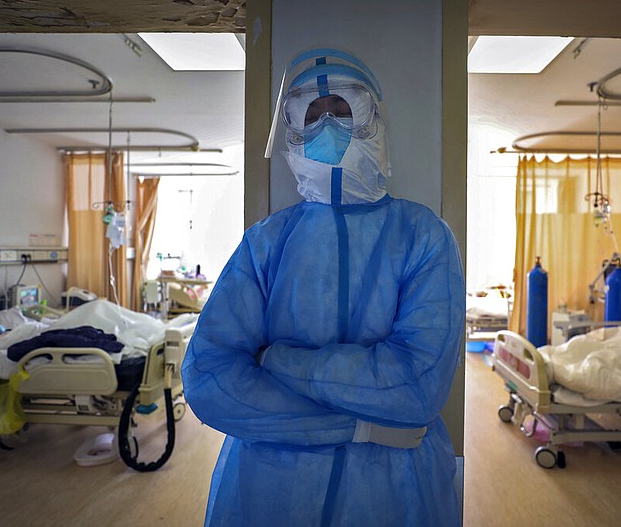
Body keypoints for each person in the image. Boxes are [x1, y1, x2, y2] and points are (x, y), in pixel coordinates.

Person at [182, 48, 465, 526]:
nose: (329, 125)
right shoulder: (267, 242)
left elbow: (416, 385)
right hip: (268, 494)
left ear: (372, 118)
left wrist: (274, 360)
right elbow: (210, 380)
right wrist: (361, 427)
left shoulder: (423, 234)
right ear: (292, 129)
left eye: (341, 109)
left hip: (394, 495)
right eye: (313, 114)